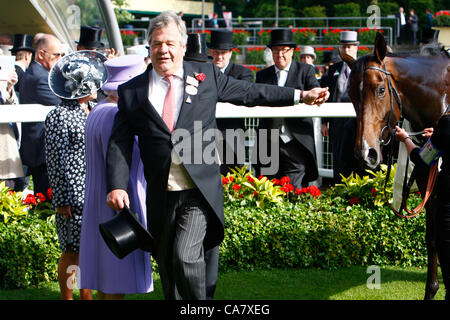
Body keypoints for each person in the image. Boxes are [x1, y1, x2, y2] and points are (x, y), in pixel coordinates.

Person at [106, 10, 329, 301]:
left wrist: (300, 95)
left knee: (186, 255)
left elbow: (251, 93)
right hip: (160, 195)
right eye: (157, 43)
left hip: (199, 191)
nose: (164, 50)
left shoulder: (206, 76)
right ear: (149, 47)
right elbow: (119, 142)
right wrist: (117, 184)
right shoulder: (131, 92)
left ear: (184, 47)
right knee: (169, 269)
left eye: (171, 43)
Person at [78, 54, 153, 300]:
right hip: (117, 202)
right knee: (116, 277)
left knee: (106, 278)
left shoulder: (98, 109)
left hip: (98, 200)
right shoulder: (115, 114)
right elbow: (126, 160)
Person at [44, 50, 108, 300]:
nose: (97, 86)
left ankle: (86, 295)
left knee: (90, 250)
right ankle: (68, 298)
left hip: (94, 191)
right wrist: (61, 201)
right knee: (73, 252)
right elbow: (55, 160)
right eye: (91, 82)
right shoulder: (59, 115)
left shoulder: (93, 109)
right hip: (73, 195)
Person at [395, 64, 450, 301]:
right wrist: (436, 136)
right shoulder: (444, 127)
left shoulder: (446, 125)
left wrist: (406, 138)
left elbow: (422, 158)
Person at [255, 28, 322, 189]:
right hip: (269, 141)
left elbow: (316, 90)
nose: (280, 55)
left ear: (292, 51)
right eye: (276, 50)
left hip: (296, 140)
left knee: (295, 188)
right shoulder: (262, 75)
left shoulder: (305, 71)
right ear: (271, 52)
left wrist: (320, 95)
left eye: (284, 50)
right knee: (267, 189)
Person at [19, 34, 63, 196]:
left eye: (62, 55)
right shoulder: (40, 78)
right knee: (46, 202)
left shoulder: (39, 74)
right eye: (56, 55)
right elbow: (63, 105)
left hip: (41, 151)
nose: (60, 59)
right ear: (41, 54)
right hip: (42, 151)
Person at [320, 31, 365, 184]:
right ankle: (338, 189)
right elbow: (327, 96)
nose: (346, 50)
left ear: (356, 48)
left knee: (357, 158)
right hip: (337, 123)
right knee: (338, 158)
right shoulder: (333, 69)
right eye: (344, 47)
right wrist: (324, 122)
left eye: (349, 47)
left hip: (357, 123)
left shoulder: (364, 68)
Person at [208, 29, 253, 176]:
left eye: (224, 52)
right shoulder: (203, 71)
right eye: (215, 52)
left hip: (232, 134)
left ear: (230, 53)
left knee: (233, 177)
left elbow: (240, 95)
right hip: (205, 133)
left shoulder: (243, 73)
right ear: (210, 51)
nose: (219, 56)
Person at [0, 69, 23, 189]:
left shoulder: (3, 76)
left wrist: (9, 88)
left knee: (7, 189)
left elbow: (12, 107)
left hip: (3, 140)